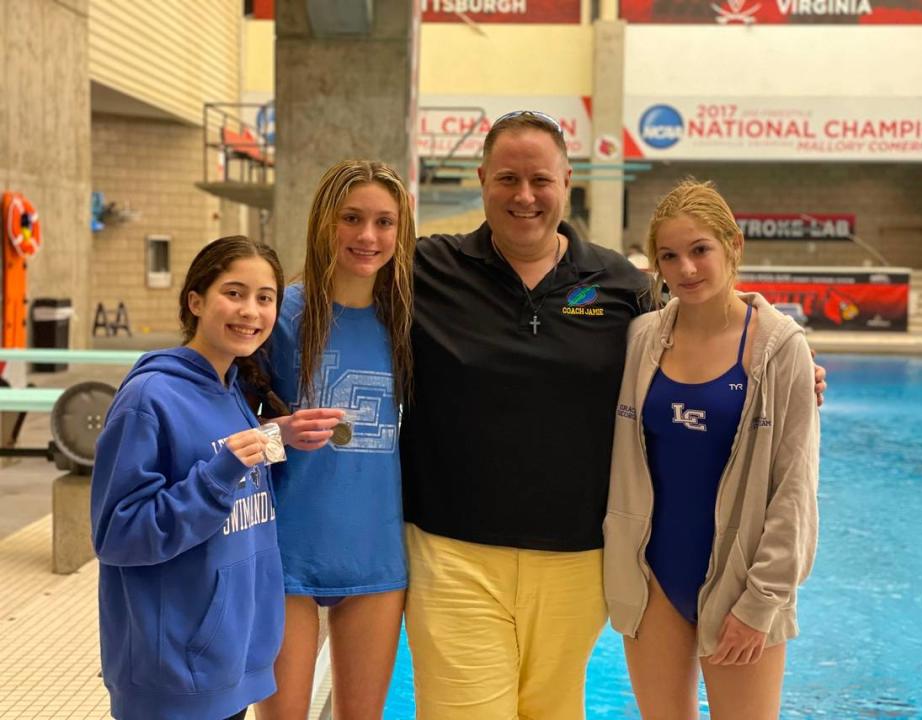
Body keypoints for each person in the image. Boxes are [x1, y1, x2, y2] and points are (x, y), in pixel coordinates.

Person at [401, 112, 827, 719]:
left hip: (592, 563)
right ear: (482, 180)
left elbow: (716, 335)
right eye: (507, 179)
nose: (525, 196)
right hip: (490, 558)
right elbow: (339, 301)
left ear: (567, 181)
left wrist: (793, 364)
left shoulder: (620, 287)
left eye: (540, 179)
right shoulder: (426, 270)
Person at [603, 179, 820, 720]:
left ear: (733, 246)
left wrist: (763, 601)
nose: (686, 269)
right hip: (652, 577)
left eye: (700, 250)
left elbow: (795, 490)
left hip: (742, 581)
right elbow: (574, 307)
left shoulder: (780, 349)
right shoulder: (639, 338)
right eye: (669, 257)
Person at [91, 235, 286, 720]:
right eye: (234, 293)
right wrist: (216, 478)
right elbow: (118, 534)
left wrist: (282, 438)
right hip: (173, 677)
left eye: (265, 298)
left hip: (228, 663)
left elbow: (243, 516)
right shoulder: (150, 398)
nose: (250, 311)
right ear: (195, 301)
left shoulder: (233, 392)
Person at [255, 160, 416, 720]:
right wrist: (278, 433)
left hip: (374, 555)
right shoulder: (280, 316)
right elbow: (230, 434)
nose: (368, 236)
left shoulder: (410, 322)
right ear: (325, 222)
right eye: (352, 218)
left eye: (383, 222)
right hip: (283, 554)